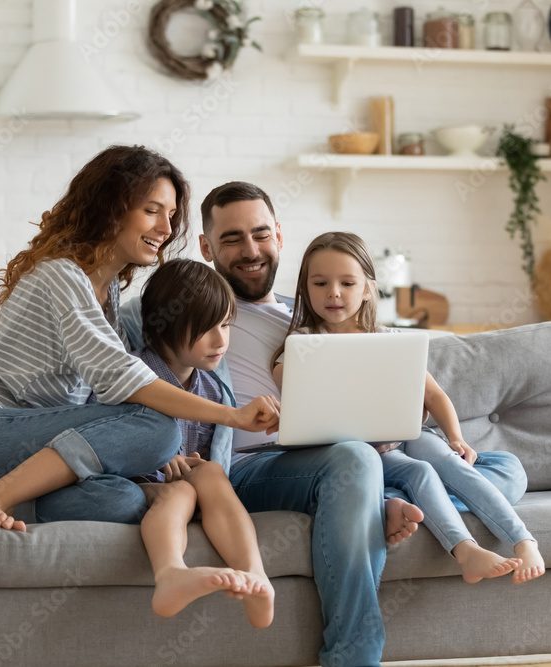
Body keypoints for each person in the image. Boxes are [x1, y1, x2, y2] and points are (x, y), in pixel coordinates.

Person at [172, 181, 529, 667]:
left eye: (260, 234)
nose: (251, 250)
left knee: (506, 467)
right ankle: (353, 655)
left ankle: (378, 499)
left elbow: (395, 386)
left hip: (347, 456)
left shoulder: (304, 315)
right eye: (232, 239)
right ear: (207, 247)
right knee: (358, 457)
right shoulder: (194, 312)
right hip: (256, 465)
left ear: (278, 235)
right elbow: (147, 376)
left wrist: (404, 415)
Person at [0, 147, 279, 536]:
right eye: (152, 210)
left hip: (31, 456)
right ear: (111, 210)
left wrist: (146, 452)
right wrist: (233, 416)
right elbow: (125, 382)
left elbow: (107, 401)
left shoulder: (108, 293)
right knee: (159, 427)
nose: (166, 229)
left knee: (124, 500)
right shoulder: (62, 276)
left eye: (170, 215)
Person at [270, 231, 545, 586]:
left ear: (367, 287)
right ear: (305, 289)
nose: (333, 293)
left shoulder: (389, 339)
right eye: (320, 283)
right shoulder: (302, 345)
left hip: (406, 435)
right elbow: (288, 385)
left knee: (449, 461)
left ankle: (524, 540)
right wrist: (291, 367)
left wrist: (456, 438)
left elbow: (436, 397)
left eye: (347, 283)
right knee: (421, 473)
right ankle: (465, 550)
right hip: (362, 453)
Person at [127, 258, 274, 627]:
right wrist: (160, 459)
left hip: (191, 483)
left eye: (225, 325)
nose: (221, 339)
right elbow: (108, 438)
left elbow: (210, 455)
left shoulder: (212, 389)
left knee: (209, 476)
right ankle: (172, 573)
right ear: (165, 328)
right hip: (141, 483)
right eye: (206, 328)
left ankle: (256, 576)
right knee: (182, 493)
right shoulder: (133, 375)